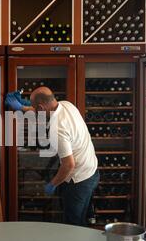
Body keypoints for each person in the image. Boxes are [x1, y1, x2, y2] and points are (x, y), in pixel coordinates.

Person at [6, 87, 99, 226]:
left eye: (35, 108)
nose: (35, 111)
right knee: (81, 219)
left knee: (73, 224)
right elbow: (42, 109)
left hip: (78, 180)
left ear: (41, 107)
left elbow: (69, 165)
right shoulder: (67, 105)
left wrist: (53, 183)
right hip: (92, 171)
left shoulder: (57, 129)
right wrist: (23, 107)